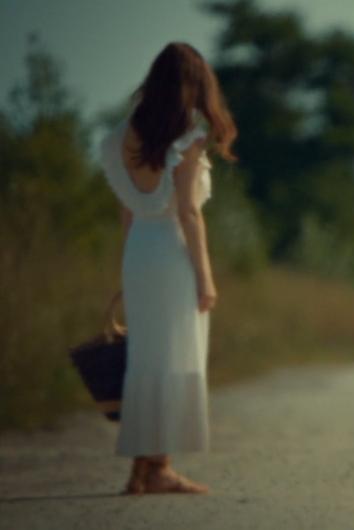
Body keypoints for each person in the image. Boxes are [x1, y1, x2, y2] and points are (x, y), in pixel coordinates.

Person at [98, 42, 238, 494]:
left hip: (140, 251)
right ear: (194, 85)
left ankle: (144, 468)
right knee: (176, 358)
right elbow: (189, 214)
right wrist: (206, 278)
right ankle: (156, 468)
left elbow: (126, 210)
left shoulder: (118, 136)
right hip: (173, 254)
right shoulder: (187, 135)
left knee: (146, 360)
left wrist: (127, 268)